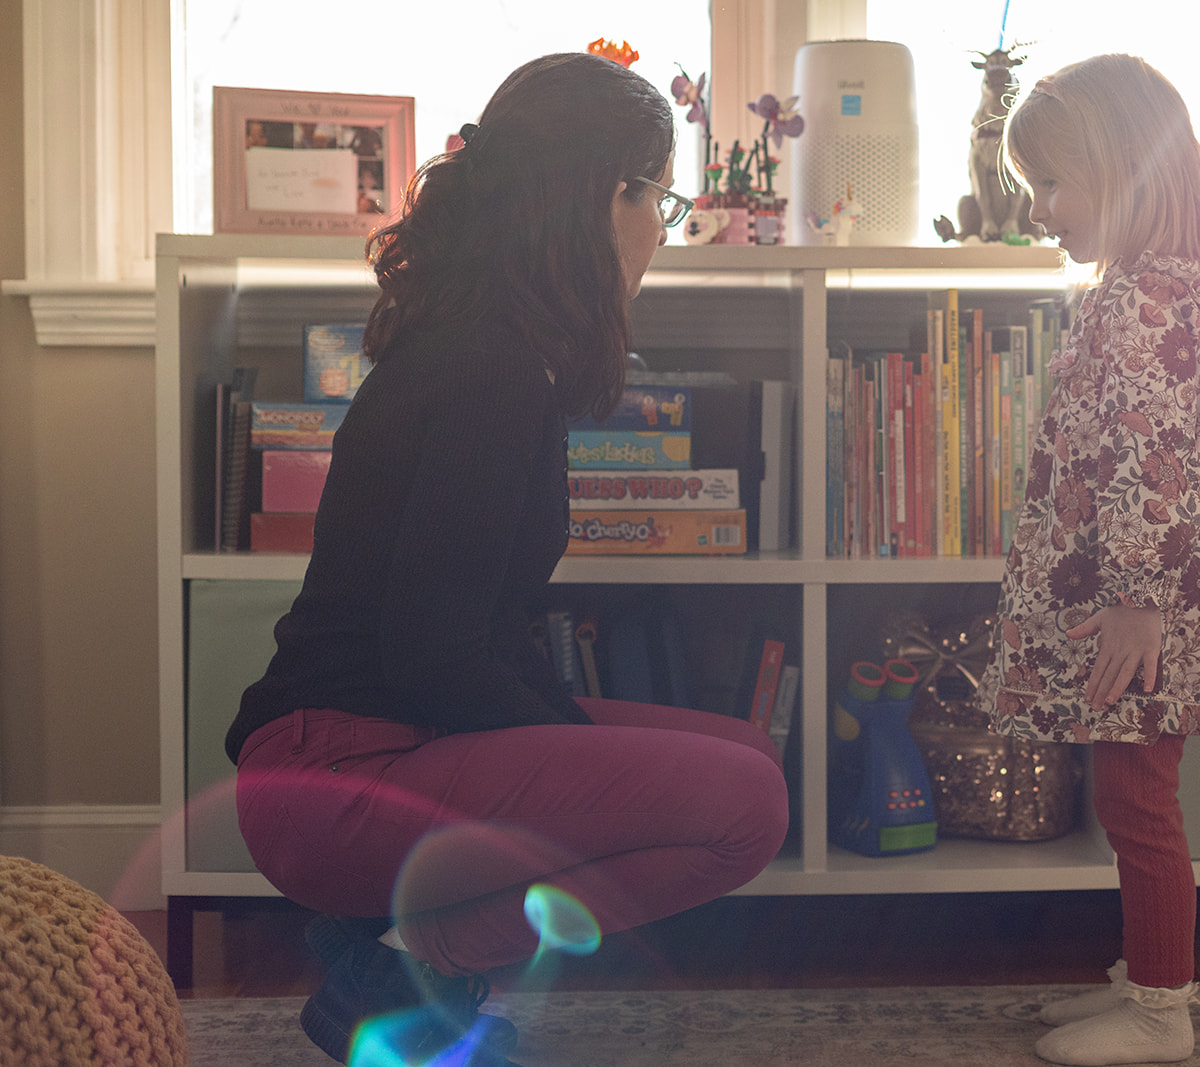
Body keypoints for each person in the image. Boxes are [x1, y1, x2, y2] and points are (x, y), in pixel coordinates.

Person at [225, 52, 786, 1067]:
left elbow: (480, 630)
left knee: (745, 757)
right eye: (656, 197)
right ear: (605, 195)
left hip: (384, 741)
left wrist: (577, 753)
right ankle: (408, 956)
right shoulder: (486, 366)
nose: (658, 227)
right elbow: (433, 650)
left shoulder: (490, 345)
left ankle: (400, 951)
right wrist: (575, 756)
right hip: (339, 773)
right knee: (743, 807)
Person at [980, 54, 1200, 1066]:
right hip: (1143, 593)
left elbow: (1154, 456)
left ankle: (1160, 1010)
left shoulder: (1143, 301)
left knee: (1137, 801)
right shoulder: (1153, 287)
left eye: (1053, 186)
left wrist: (1141, 597)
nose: (1042, 211)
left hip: (1148, 602)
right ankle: (1144, 974)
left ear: (1122, 173)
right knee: (1130, 793)